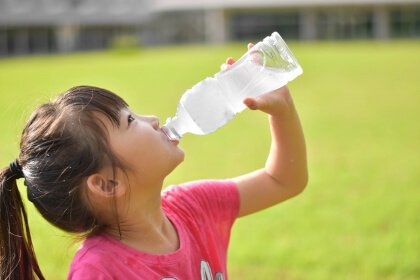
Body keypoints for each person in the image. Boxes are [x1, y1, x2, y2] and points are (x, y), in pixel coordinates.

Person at [0, 46, 307, 280]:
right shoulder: (99, 271)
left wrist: (283, 109)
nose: (153, 119)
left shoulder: (192, 207)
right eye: (131, 120)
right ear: (108, 183)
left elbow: (283, 180)